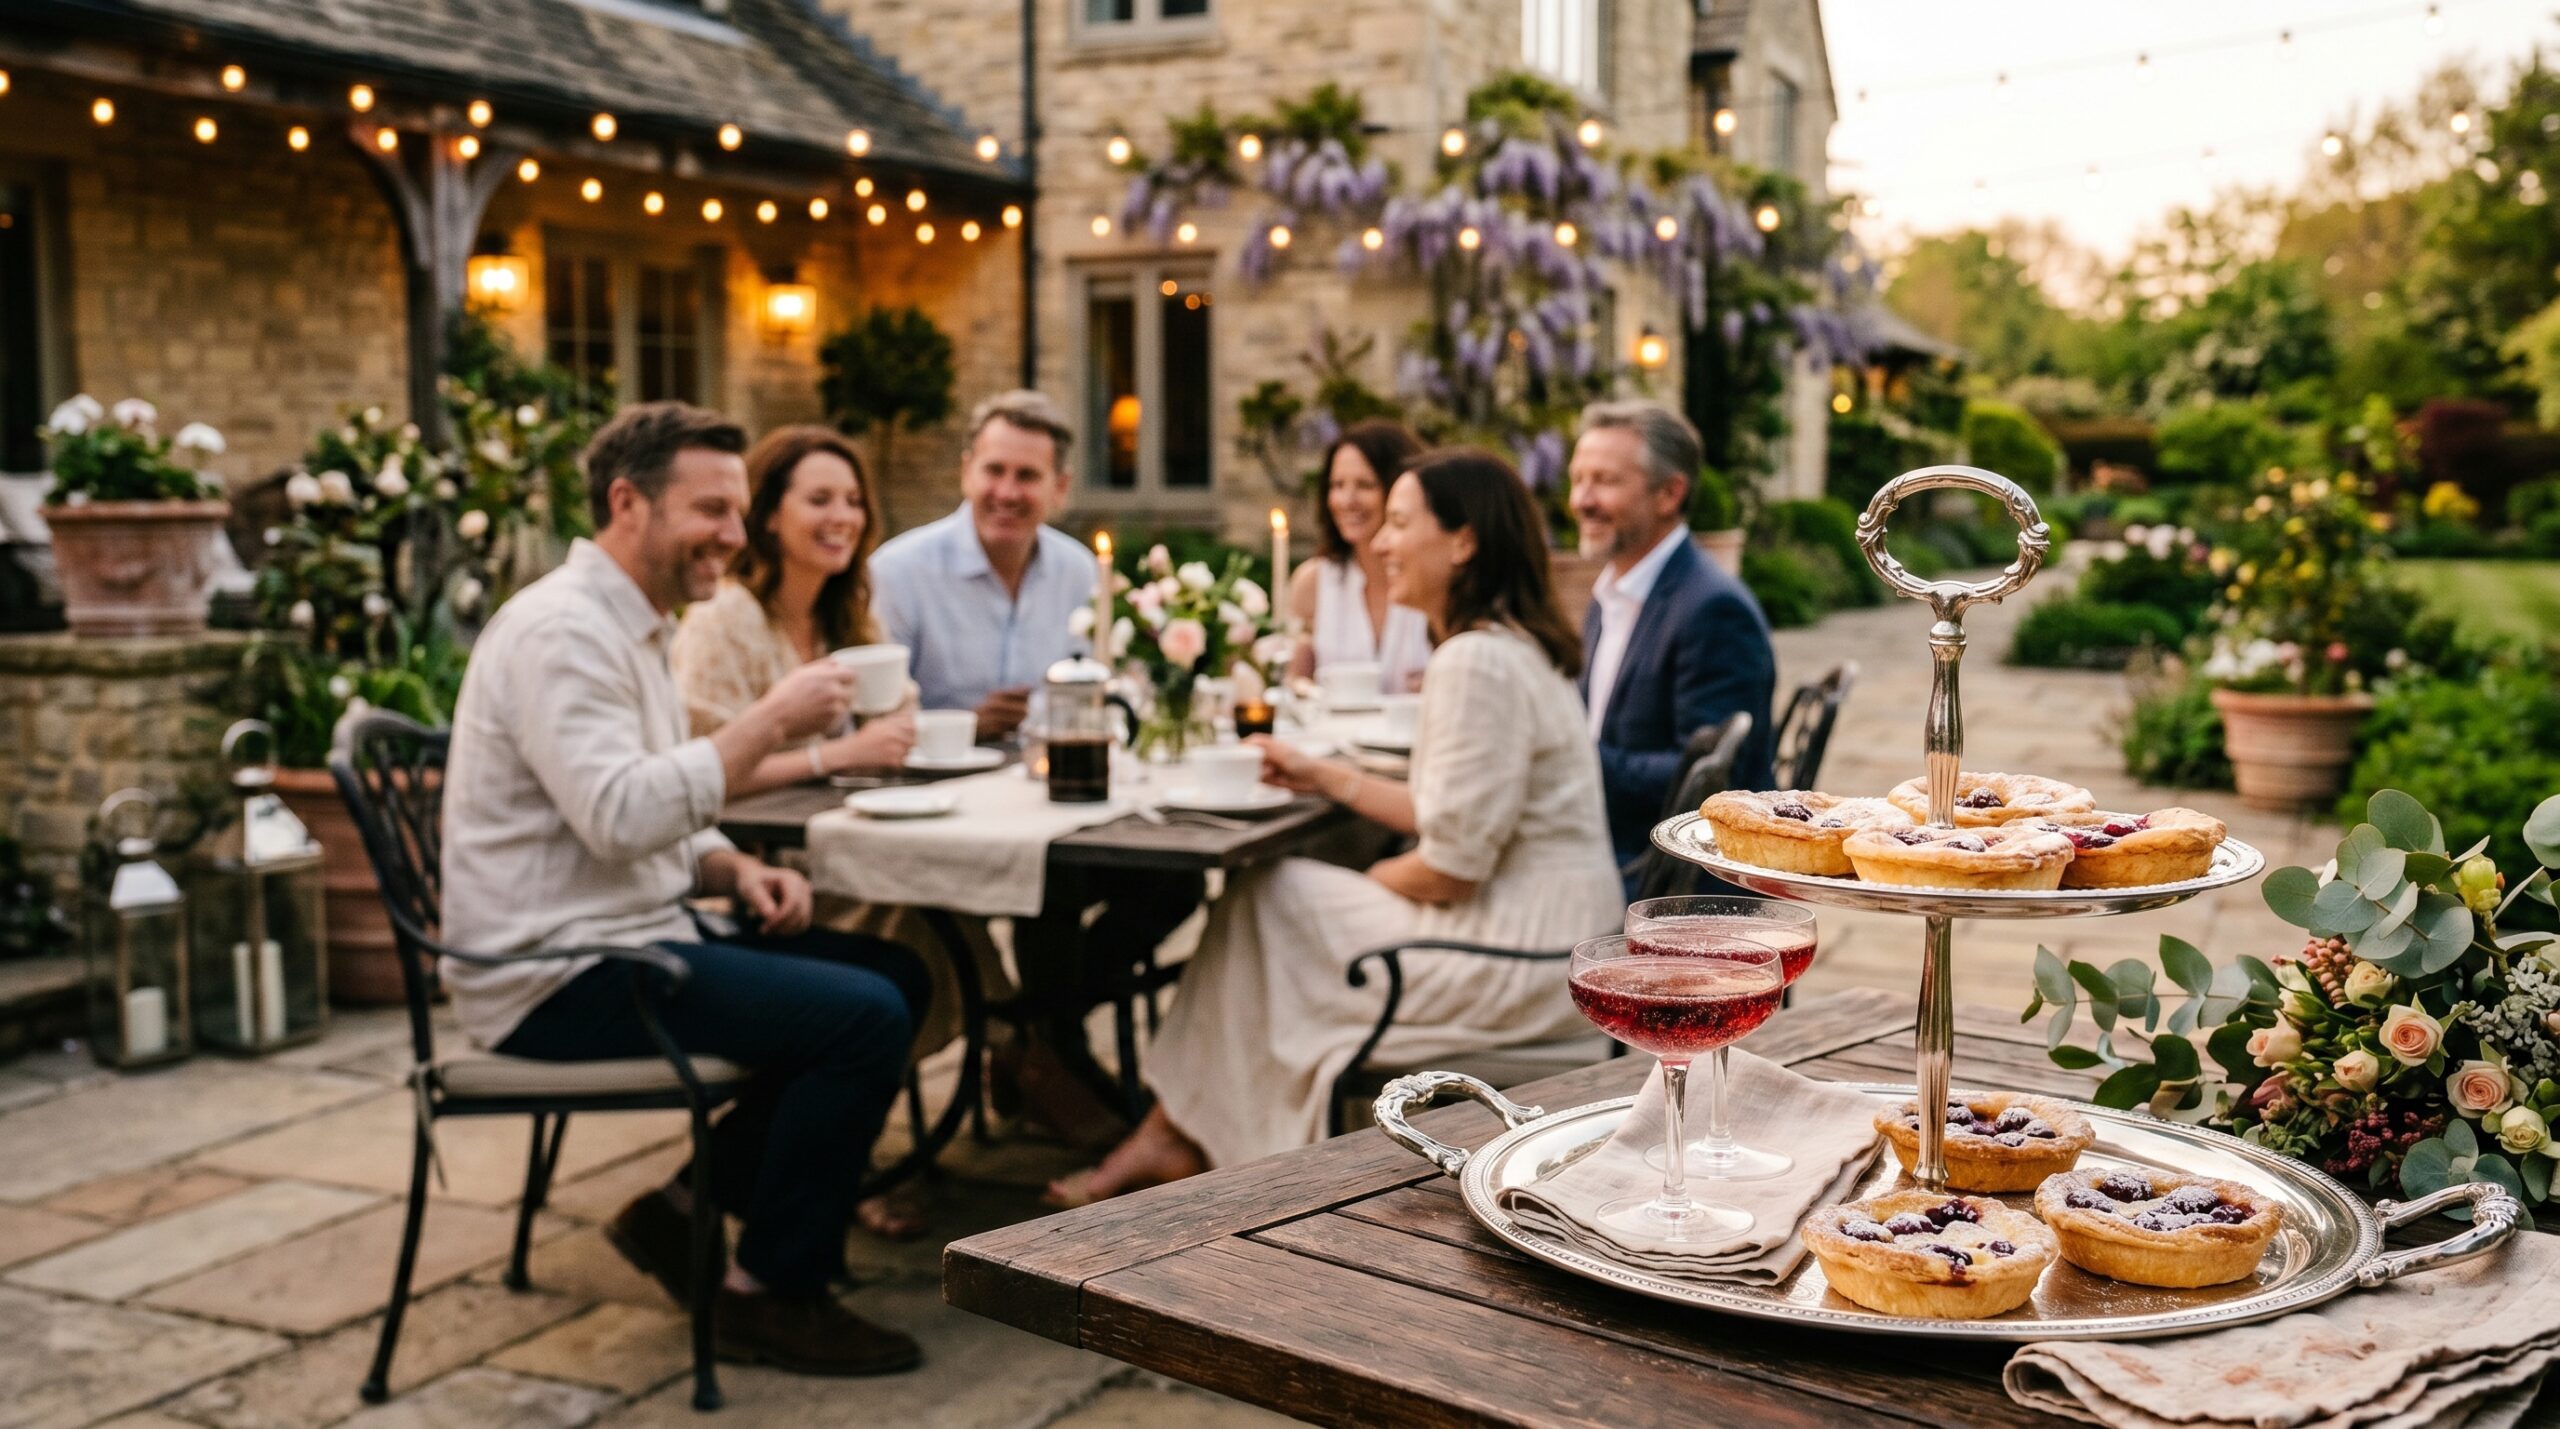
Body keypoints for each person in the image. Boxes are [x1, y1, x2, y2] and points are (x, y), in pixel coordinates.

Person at [441, 401, 929, 1376]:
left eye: (738, 511)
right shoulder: (561, 633)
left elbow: (652, 803)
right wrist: (770, 721)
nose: (734, 536)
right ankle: (771, 1292)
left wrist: (733, 866)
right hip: (553, 972)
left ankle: (679, 1211)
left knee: (896, 976)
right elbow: (619, 813)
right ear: (628, 502)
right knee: (862, 1017)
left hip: (639, 931)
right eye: (711, 509)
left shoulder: (635, 624)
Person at [1050, 448, 1623, 1203]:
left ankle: (1194, 1141)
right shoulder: (1508, 645)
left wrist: (1362, 884)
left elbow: (1449, 868)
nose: (1381, 544)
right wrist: (1327, 778)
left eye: (1398, 522)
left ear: (1462, 541)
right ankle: (1186, 1132)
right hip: (1562, 926)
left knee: (1273, 895)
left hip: (1520, 951)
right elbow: (1449, 811)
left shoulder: (1476, 660)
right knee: (1279, 905)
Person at [1568, 401, 1776, 884]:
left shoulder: (1712, 609)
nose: (1582, 499)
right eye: (1578, 480)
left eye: (1605, 481)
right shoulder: (1609, 595)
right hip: (1600, 839)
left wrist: (1572, 758)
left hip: (1661, 873)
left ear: (1669, 494)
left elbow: (1712, 785)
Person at [671, 425, 915, 790]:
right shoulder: (723, 617)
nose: (843, 517)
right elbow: (706, 773)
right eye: (820, 500)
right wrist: (838, 755)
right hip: (753, 839)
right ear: (769, 515)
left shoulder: (852, 611)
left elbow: (903, 713)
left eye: (854, 501)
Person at [869, 390, 1096, 740]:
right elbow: (872, 721)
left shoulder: (1080, 572)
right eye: (994, 470)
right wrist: (968, 726)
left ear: (1060, 488)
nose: (1007, 493)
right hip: (926, 788)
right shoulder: (898, 572)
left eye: (1027, 476)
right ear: (966, 472)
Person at [1286, 418, 1433, 693]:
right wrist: (1298, 682)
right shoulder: (1313, 582)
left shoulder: (1432, 579)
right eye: (1337, 485)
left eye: (1365, 485)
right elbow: (1293, 687)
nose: (1347, 501)